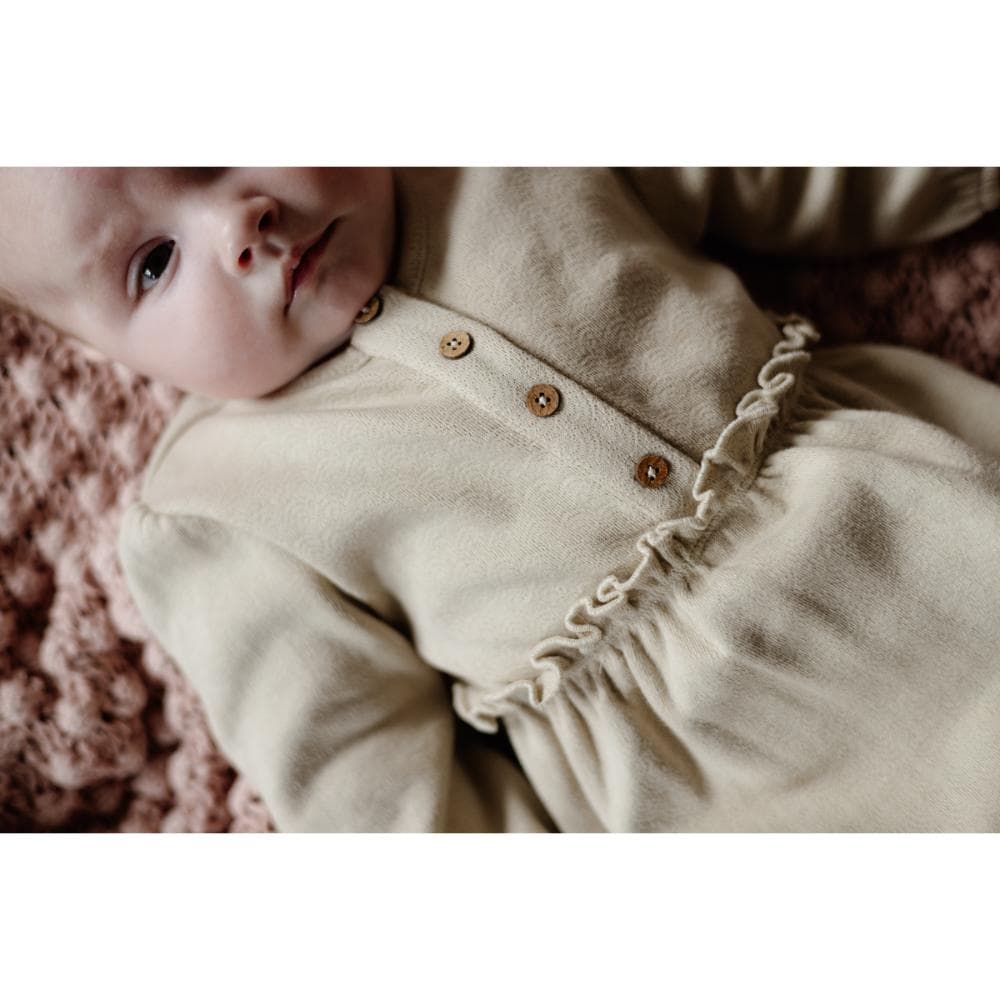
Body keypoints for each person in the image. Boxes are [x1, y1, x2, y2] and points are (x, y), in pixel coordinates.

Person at [1, 166, 999, 832]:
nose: (236, 225)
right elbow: (375, 788)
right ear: (113, 357)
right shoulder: (214, 507)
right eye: (153, 265)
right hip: (713, 779)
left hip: (916, 517)